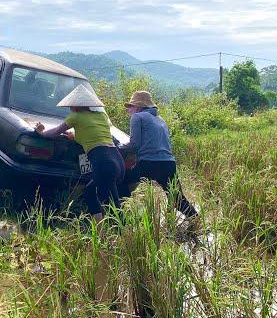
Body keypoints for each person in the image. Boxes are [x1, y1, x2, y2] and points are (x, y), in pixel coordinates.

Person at [35, 84, 125, 221]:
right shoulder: (101, 116)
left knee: (113, 207)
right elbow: (94, 134)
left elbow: (54, 132)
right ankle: (103, 231)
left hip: (103, 162)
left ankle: (119, 235)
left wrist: (41, 132)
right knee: (92, 193)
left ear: (75, 107)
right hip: (117, 160)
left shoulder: (75, 117)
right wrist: (75, 136)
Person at [118, 91, 198, 222]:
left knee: (121, 187)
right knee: (178, 199)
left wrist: (118, 148)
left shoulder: (138, 117)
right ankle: (196, 221)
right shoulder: (161, 120)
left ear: (138, 106)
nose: (129, 110)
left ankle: (120, 224)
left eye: (130, 107)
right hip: (169, 163)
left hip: (149, 163)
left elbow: (134, 144)